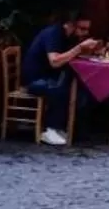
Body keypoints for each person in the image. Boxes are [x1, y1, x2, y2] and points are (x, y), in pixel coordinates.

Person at [22, 9, 100, 147]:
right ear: (70, 24)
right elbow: (55, 61)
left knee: (79, 90)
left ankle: (63, 127)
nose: (85, 33)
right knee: (61, 89)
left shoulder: (68, 36)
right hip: (36, 79)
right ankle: (49, 129)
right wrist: (79, 48)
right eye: (82, 29)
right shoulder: (54, 33)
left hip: (50, 76)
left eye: (87, 29)